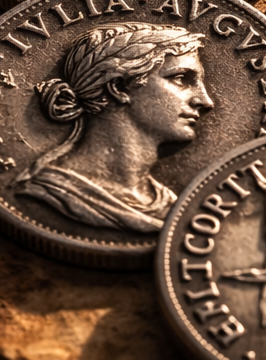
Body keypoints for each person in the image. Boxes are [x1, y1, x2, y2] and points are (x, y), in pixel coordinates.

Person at [15, 23, 212, 233]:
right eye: (181, 79)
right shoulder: (47, 193)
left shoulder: (169, 204)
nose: (206, 101)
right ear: (117, 87)